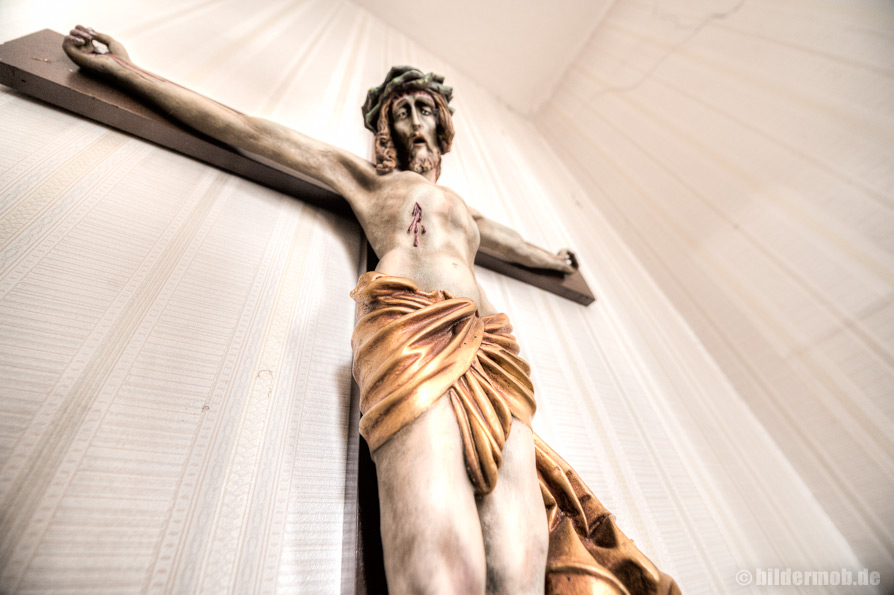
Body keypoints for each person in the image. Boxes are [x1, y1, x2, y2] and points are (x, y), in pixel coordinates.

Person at [63, 25, 679, 595]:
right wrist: (125, 71)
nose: (414, 121)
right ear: (386, 127)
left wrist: (554, 261)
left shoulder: (463, 209)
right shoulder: (370, 181)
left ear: (442, 126)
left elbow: (518, 245)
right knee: (445, 561)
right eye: (401, 111)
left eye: (424, 110)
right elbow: (248, 129)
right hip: (411, 326)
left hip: (494, 345)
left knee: (517, 561)